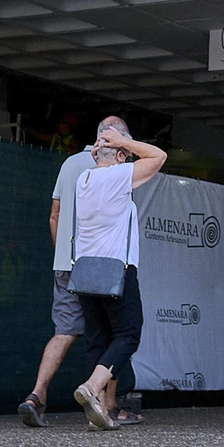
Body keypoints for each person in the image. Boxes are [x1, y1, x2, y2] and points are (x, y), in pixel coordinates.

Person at [19, 116, 131, 428]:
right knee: (113, 332)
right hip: (99, 262)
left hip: (66, 262)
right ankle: (106, 404)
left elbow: (54, 215)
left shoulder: (69, 164)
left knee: (64, 331)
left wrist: (62, 256)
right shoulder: (116, 167)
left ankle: (36, 395)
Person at [72, 126, 166, 430]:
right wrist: (126, 142)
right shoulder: (117, 176)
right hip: (116, 269)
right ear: (122, 156)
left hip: (86, 270)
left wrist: (114, 146)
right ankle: (92, 386)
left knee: (97, 339)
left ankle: (96, 408)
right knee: (128, 333)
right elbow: (159, 156)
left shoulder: (83, 179)